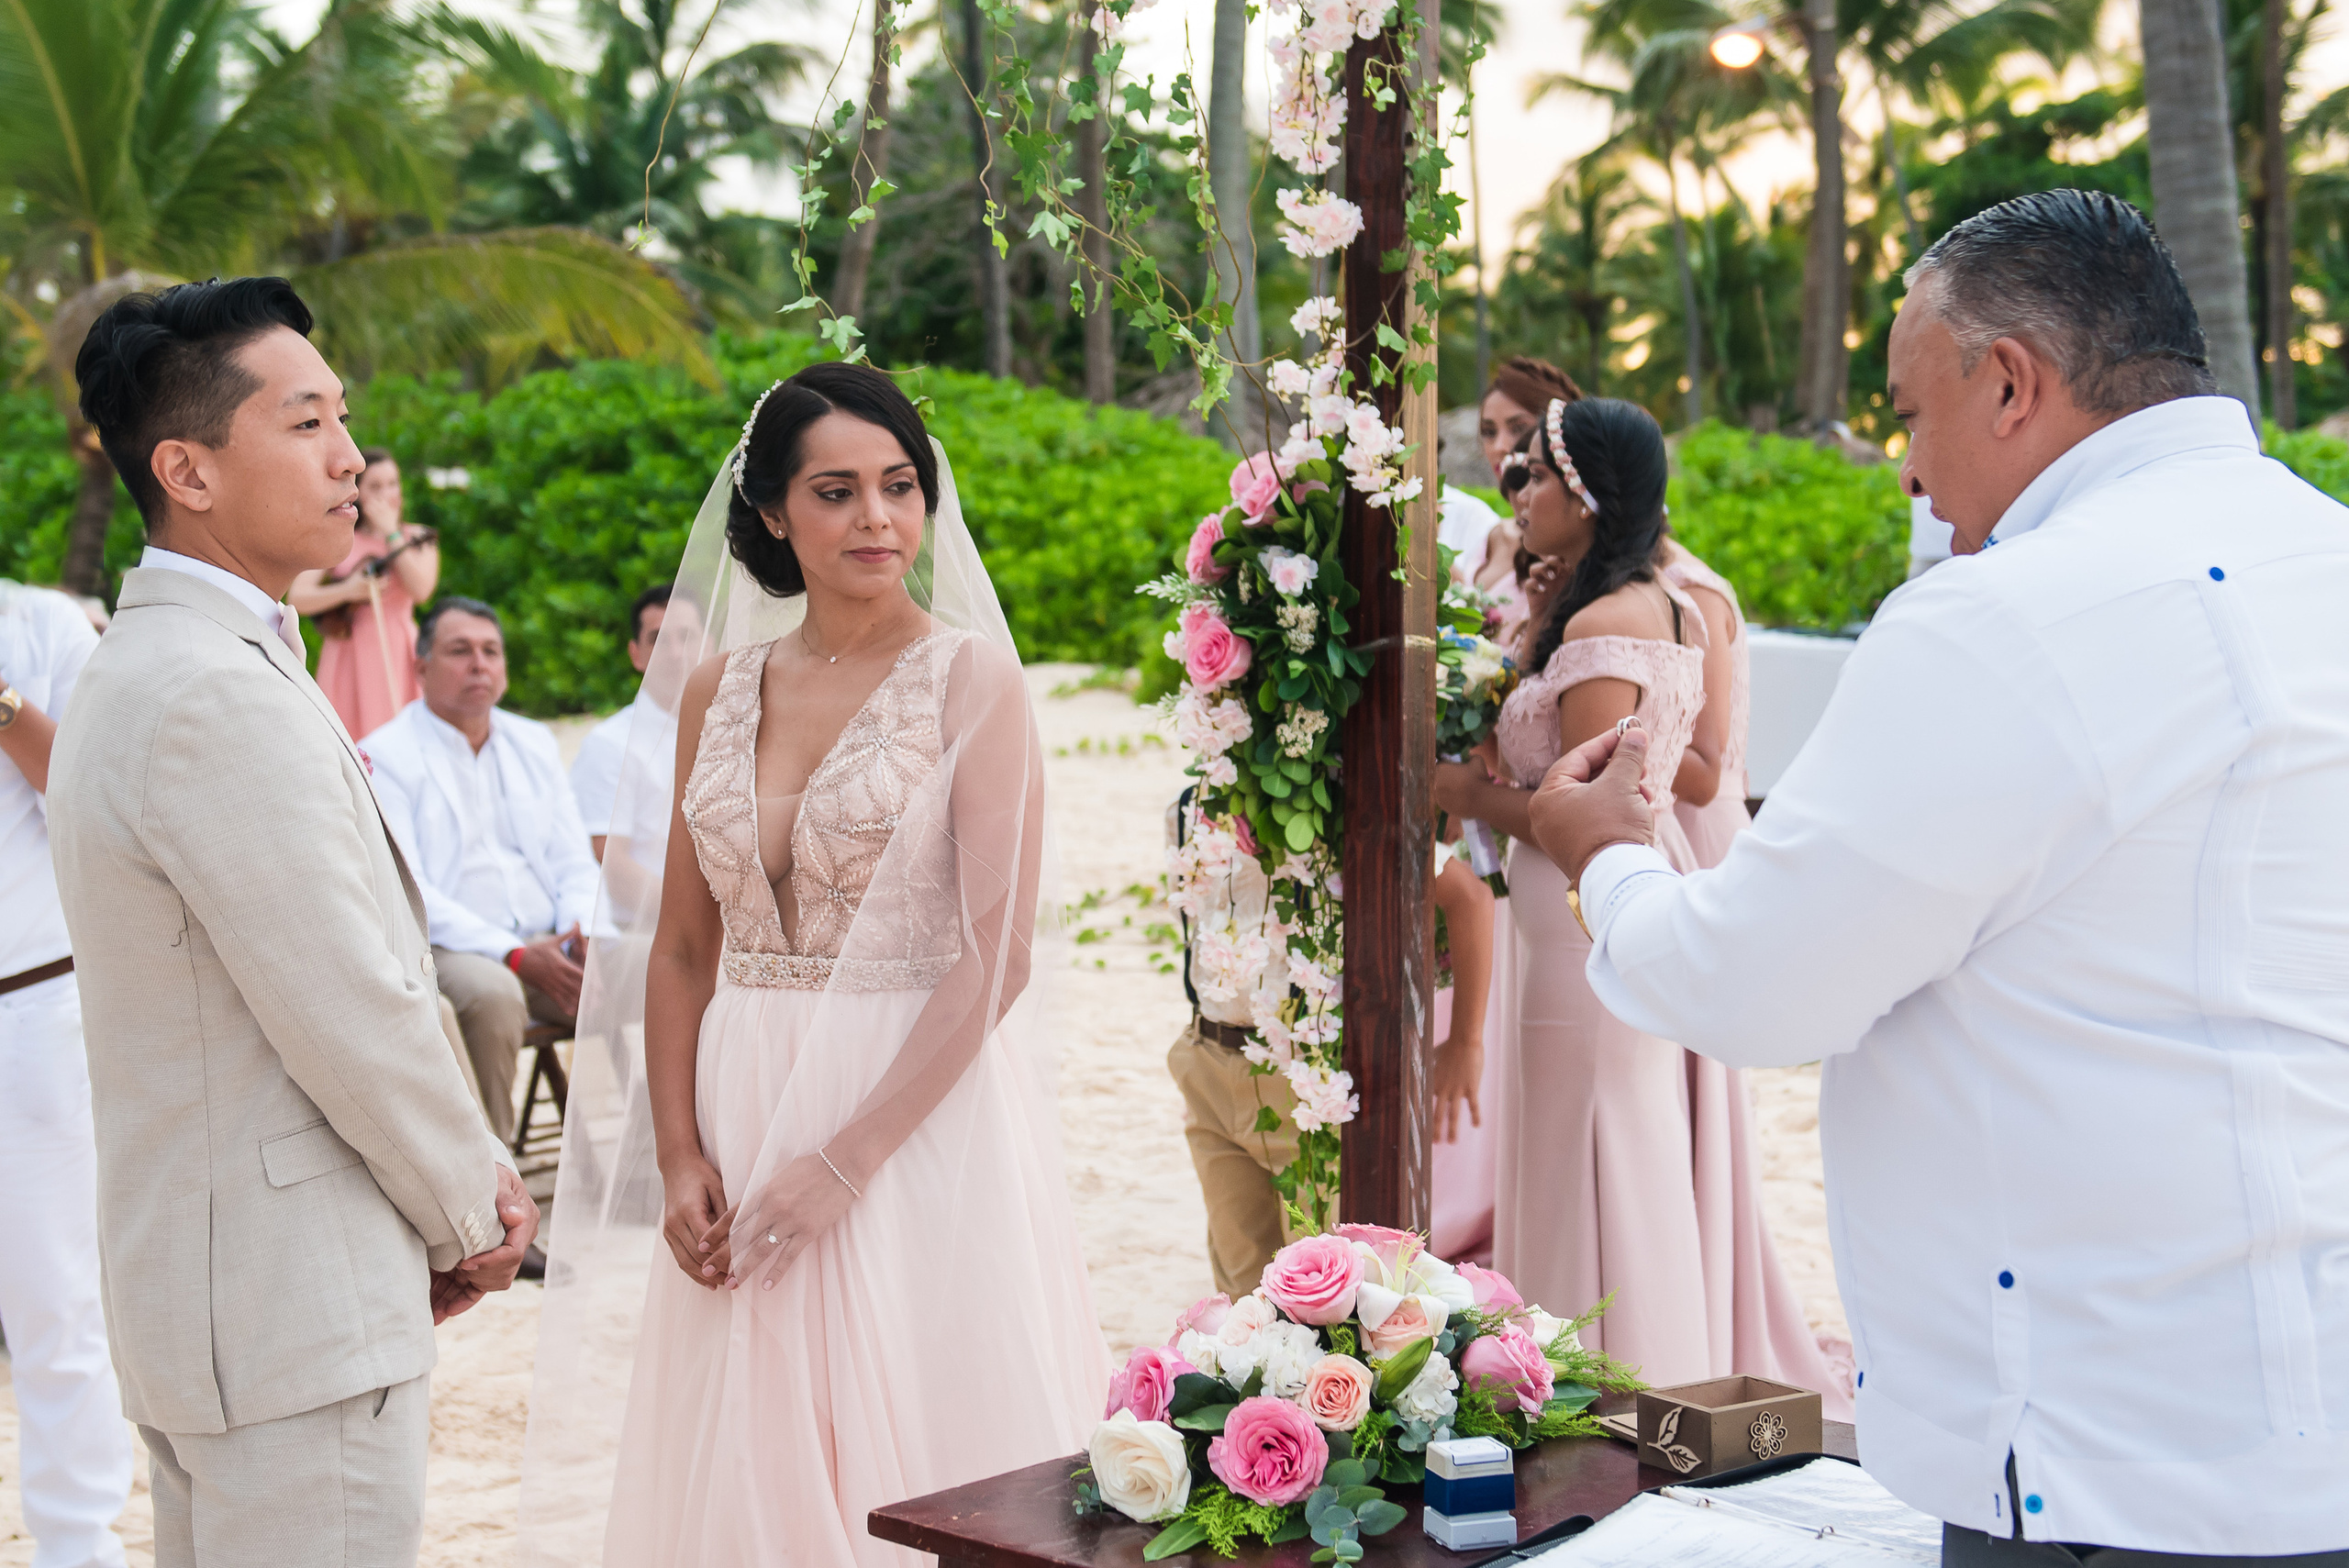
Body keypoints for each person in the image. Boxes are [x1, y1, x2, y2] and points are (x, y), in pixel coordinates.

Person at [1533, 190, 2349, 1564]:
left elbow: (1751, 986)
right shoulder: (2322, 557)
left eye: (1913, 414)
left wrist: (1603, 859)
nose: (1908, 469)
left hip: (2107, 1452)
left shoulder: (1997, 622)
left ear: (2012, 383)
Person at [519, 361, 1108, 1565]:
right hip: (743, 1089)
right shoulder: (715, 689)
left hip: (910, 1109)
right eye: (836, 491)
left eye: (900, 486)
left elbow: (996, 959)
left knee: (922, 1423)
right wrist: (678, 1150)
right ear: (773, 511)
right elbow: (683, 945)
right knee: (747, 1423)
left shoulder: (972, 680)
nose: (878, 519)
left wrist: (845, 1161)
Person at [50, 276, 535, 1568]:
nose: (349, 459)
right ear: (187, 472)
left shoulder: (154, 661)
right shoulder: (210, 690)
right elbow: (349, 1003)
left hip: (214, 1303)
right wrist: (470, 1211)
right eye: (306, 421)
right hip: (290, 1312)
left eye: (344, 419)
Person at [1432, 396, 1839, 1407]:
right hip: (1567, 929)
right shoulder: (1613, 601)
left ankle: (1620, 1390)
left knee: (1599, 1146)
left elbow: (1585, 812)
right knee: (1588, 1138)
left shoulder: (1616, 618)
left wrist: (1460, 792)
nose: (1516, 495)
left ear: (1586, 493)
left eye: (1535, 476)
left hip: (1581, 926)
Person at [0, 581, 133, 1568]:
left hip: (29, 1000)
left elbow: (91, 790)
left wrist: (2, 702)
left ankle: (77, 1542)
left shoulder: (39, 622)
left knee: (54, 1295)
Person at [362, 597, 601, 1145]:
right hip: (450, 948)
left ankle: (646, 1170)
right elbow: (411, 889)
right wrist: (514, 954)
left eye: (491, 652)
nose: (479, 664)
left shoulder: (532, 742)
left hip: (551, 942)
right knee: (493, 995)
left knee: (642, 967)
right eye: (460, 651)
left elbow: (572, 859)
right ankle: (495, 1189)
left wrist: (580, 931)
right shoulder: (384, 756)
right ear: (419, 666)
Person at [290, 445, 438, 738]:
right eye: (375, 486)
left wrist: (392, 534)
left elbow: (422, 590)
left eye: (393, 484)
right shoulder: (339, 538)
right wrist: (348, 591)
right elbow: (298, 598)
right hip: (351, 650)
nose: (387, 493)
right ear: (358, 491)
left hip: (399, 647)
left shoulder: (417, 536)